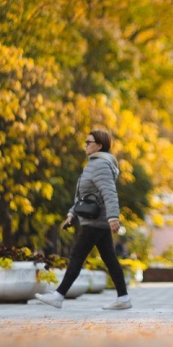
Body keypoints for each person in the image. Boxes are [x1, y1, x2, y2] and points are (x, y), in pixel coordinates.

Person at [35, 129, 131, 310]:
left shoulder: (100, 165)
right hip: (94, 220)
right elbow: (84, 195)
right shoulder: (93, 164)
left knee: (77, 256)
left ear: (99, 145)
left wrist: (113, 217)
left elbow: (109, 192)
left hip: (96, 221)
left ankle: (58, 295)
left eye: (89, 142)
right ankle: (123, 298)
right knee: (110, 259)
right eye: (85, 142)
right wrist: (71, 214)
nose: (85, 145)